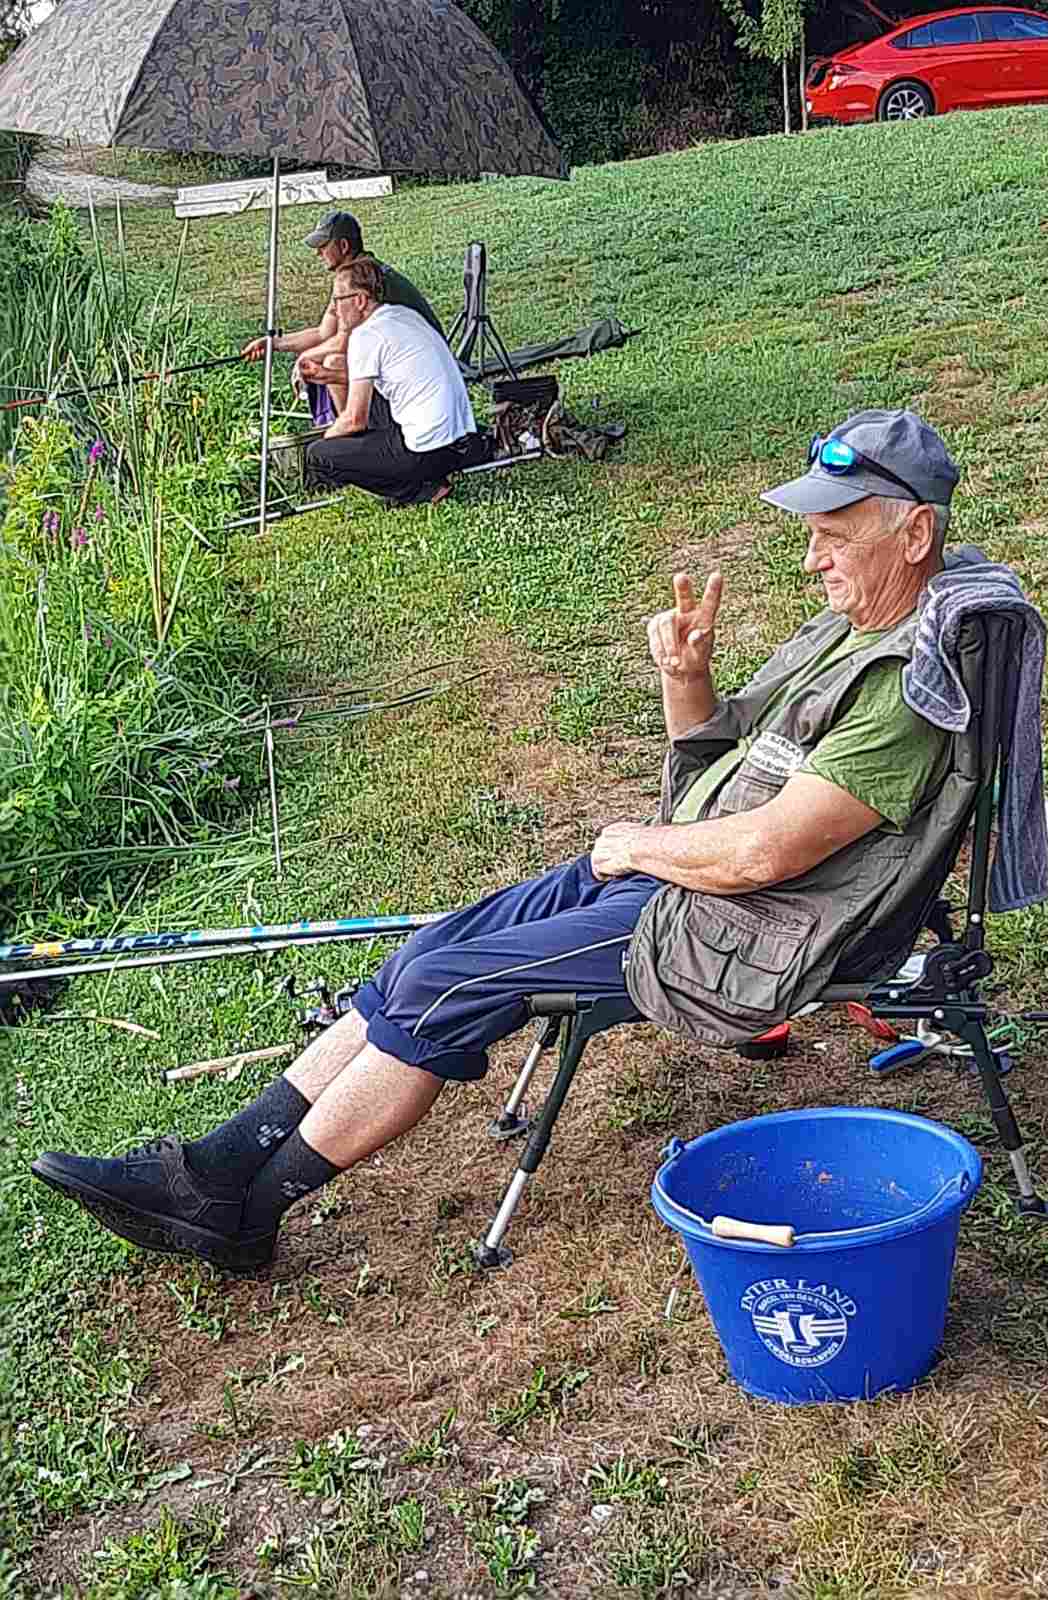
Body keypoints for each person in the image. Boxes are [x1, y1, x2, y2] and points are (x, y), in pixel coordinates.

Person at [33, 409, 968, 1272]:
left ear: (915, 534)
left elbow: (771, 855)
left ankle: (246, 1208)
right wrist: (685, 677)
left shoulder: (903, 682)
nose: (810, 560)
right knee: (431, 949)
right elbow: (715, 756)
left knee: (448, 985)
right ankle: (219, 1164)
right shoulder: (850, 628)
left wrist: (639, 847)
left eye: (833, 535)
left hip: (750, 921)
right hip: (691, 872)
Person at [303, 258, 487, 508]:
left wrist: (328, 439)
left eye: (338, 300)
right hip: (458, 442)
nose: (335, 309)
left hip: (426, 452)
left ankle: (418, 490)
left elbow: (354, 419)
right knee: (363, 418)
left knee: (318, 454)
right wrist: (326, 375)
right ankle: (406, 469)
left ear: (360, 300)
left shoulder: (365, 335)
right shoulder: (403, 314)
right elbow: (388, 379)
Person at [240, 210, 447, 427]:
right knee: (328, 360)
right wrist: (273, 344)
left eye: (323, 246)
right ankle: (352, 428)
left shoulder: (362, 280)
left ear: (344, 246)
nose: (318, 253)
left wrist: (305, 358)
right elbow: (324, 332)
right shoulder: (351, 275)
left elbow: (342, 342)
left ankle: (354, 431)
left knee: (333, 362)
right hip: (407, 363)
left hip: (424, 373)